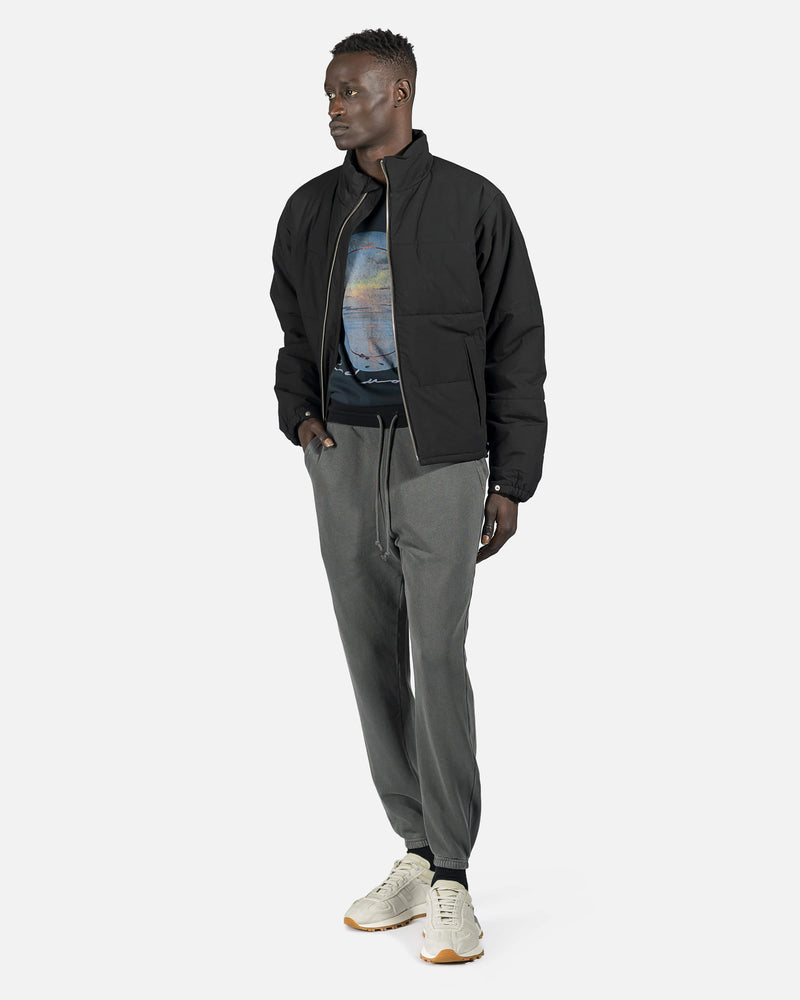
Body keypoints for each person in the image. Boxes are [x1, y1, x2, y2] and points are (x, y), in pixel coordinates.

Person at [271, 28, 547, 964]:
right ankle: (416, 849)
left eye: (350, 91)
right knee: (370, 654)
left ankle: (454, 875)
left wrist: (512, 476)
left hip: (444, 458)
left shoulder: (472, 203)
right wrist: (299, 413)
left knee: (436, 652)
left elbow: (517, 341)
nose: (334, 107)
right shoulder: (312, 208)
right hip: (343, 452)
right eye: (329, 93)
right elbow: (289, 323)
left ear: (400, 92)